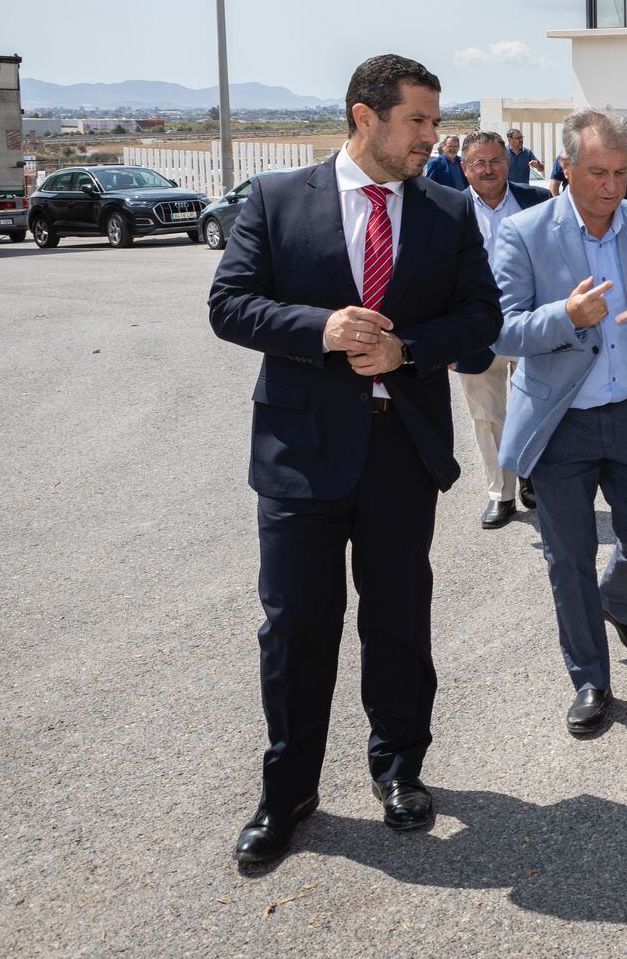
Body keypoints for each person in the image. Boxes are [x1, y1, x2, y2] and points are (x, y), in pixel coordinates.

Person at [209, 54, 502, 872]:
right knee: (297, 629)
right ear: (365, 117)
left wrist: (408, 348)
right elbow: (228, 305)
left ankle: (400, 769)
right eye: (418, 121)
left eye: (435, 123)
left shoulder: (445, 211)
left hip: (401, 453)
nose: (430, 139)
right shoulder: (275, 201)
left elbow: (482, 320)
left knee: (399, 622)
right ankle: (288, 793)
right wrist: (322, 331)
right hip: (300, 456)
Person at [489, 109, 627, 738]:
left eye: (620, 172)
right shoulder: (525, 233)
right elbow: (502, 330)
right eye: (596, 173)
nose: (611, 186)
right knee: (569, 556)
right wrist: (566, 315)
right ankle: (590, 677)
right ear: (565, 168)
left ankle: (619, 602)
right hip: (560, 424)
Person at [455, 130, 552, 530]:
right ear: (465, 168)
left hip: (528, 324)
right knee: (487, 415)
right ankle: (501, 493)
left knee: (537, 408)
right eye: (479, 162)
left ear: (508, 162)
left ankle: (530, 475)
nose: (489, 169)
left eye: (496, 160)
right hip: (474, 330)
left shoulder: (538, 202)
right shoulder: (447, 210)